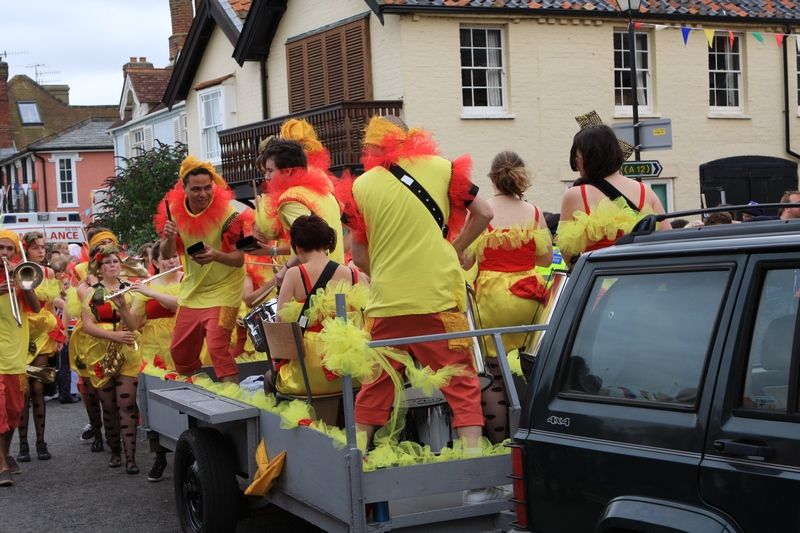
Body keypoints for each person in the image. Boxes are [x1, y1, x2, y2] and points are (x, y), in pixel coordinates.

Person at [341, 116, 493, 472]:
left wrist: (390, 274)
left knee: (377, 387)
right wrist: (455, 247)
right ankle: (473, 479)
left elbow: (359, 257)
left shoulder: (360, 187)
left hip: (387, 302)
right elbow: (484, 212)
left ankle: (357, 466)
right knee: (461, 383)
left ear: (372, 144)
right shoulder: (444, 168)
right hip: (438, 296)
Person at [469, 152, 552, 444]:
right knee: (532, 367)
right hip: (529, 295)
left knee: (494, 373)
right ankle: (536, 434)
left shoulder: (483, 211)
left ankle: (502, 444)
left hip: (493, 298)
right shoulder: (534, 212)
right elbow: (544, 259)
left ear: (492, 178)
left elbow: (466, 261)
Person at [156, 156, 245, 384]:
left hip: (225, 290)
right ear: (184, 188)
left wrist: (216, 255)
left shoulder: (229, 215)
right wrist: (169, 237)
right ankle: (197, 399)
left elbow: (238, 259)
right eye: (196, 189)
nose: (203, 194)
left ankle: (233, 409)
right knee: (180, 352)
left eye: (208, 188)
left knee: (218, 348)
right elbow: (166, 255)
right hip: (193, 292)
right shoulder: (174, 213)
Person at [273, 215, 368, 413]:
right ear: (327, 244)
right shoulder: (353, 274)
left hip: (308, 374)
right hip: (351, 370)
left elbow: (280, 323)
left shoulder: (294, 274)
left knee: (269, 379)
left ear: (297, 247)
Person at [557, 124, 670, 265]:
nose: (576, 162)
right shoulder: (644, 191)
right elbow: (666, 239)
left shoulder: (575, 195)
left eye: (577, 156)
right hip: (640, 279)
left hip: (600, 280)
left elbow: (567, 253)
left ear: (589, 157)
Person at [74, 245, 141, 473]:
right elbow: (88, 326)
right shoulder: (95, 293)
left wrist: (123, 308)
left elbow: (135, 326)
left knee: (126, 404)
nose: (113, 265)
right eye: (107, 262)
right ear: (99, 269)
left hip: (128, 352)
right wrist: (113, 335)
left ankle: (131, 458)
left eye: (115, 261)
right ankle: (115, 451)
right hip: (100, 352)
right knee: (109, 406)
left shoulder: (130, 290)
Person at [253, 137, 345, 283]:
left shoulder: (290, 199)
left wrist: (284, 271)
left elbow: (311, 245)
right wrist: (273, 251)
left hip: (316, 282)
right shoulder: (323, 192)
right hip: (338, 277)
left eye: (270, 171)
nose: (266, 177)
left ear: (288, 171)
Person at [130, 241, 182, 482]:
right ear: (156, 262)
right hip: (153, 348)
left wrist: (149, 293)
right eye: (167, 258)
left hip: (183, 343)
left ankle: (187, 452)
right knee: (153, 401)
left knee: (187, 398)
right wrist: (122, 305)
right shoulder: (146, 285)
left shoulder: (187, 279)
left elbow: (181, 304)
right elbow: (133, 324)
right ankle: (159, 455)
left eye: (175, 256)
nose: (172, 261)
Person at [17, 232, 65, 462]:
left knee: (38, 389)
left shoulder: (48, 272)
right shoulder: (17, 270)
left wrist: (59, 332)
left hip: (43, 333)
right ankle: (23, 444)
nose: (41, 251)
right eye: (36, 247)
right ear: (26, 249)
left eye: (43, 247)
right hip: (22, 332)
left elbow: (53, 305)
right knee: (23, 391)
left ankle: (41, 442)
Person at [0, 228, 41, 486]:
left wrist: (24, 286)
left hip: (15, 351)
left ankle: (4, 453)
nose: (4, 253)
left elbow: (36, 308)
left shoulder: (19, 272)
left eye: (8, 249)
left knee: (14, 410)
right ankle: (2, 463)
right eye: (0, 248)